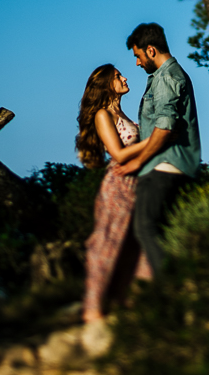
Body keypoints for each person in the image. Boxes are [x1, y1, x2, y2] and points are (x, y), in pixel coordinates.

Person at [112, 22, 200, 278]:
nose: (137, 63)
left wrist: (138, 161)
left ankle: (172, 292)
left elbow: (164, 128)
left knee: (145, 228)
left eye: (138, 56)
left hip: (164, 166)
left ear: (150, 50)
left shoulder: (167, 78)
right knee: (163, 232)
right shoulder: (164, 77)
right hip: (169, 166)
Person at [77, 63, 152, 324]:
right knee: (108, 244)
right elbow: (118, 154)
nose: (124, 78)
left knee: (136, 245)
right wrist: (155, 140)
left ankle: (128, 303)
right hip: (119, 186)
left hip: (136, 184)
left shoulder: (122, 113)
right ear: (107, 84)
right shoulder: (102, 115)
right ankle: (93, 309)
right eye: (118, 76)